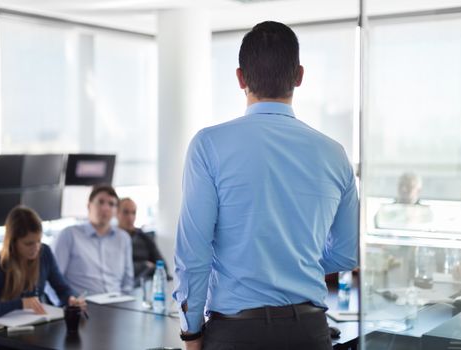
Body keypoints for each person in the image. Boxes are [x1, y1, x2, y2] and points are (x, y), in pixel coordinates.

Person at [173, 21, 358, 350]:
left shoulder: (208, 145)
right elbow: (346, 255)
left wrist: (191, 332)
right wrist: (294, 262)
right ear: (299, 76)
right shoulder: (335, 154)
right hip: (309, 332)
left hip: (236, 333)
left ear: (240, 78)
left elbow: (193, 254)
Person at [0, 206, 85, 328]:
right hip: (0, 336)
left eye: (38, 241)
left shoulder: (44, 253)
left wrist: (71, 299)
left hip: (34, 330)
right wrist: (20, 304)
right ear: (13, 242)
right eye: (28, 243)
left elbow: (62, 288)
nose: (36, 248)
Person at [52, 184, 134, 295]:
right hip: (82, 305)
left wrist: (126, 301)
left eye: (111, 204)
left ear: (116, 211)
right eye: (100, 202)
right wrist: (65, 304)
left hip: (118, 303)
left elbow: (128, 280)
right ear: (89, 205)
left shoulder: (123, 238)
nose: (105, 208)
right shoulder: (69, 235)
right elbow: (52, 279)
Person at [117, 197, 170, 284]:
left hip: (148, 283)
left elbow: (163, 267)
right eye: (126, 212)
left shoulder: (144, 237)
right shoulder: (111, 239)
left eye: (133, 213)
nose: (130, 217)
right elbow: (118, 269)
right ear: (116, 213)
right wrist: (144, 265)